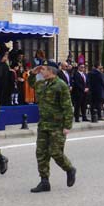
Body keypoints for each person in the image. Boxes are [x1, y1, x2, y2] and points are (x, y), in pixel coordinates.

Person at [28, 61, 75, 193]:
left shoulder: (61, 85)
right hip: (43, 124)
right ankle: (44, 182)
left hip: (57, 126)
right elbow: (31, 83)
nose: (41, 72)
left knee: (55, 152)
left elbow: (67, 107)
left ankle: (69, 169)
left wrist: (67, 126)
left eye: (43, 70)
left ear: (51, 71)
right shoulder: (42, 84)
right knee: (41, 153)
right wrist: (33, 72)